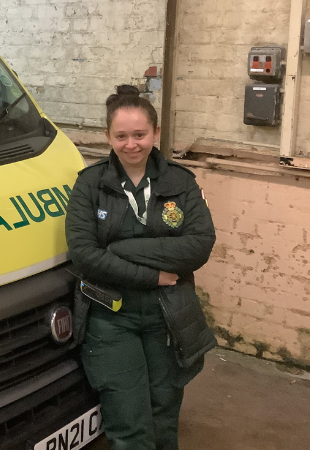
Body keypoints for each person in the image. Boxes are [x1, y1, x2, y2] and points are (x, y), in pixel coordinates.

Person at [65, 85, 217, 450]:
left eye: (139, 134)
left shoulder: (181, 183)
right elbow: (85, 254)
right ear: (107, 137)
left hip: (169, 316)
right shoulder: (89, 185)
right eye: (121, 136)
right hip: (111, 318)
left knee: (164, 415)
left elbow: (198, 244)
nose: (131, 144)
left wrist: (120, 248)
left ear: (156, 133)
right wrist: (151, 275)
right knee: (129, 424)